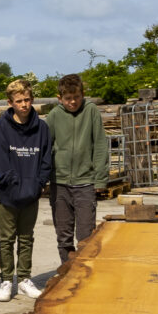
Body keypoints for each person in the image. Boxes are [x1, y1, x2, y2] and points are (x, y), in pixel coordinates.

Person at [0, 79, 54, 300]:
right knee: (7, 238)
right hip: (8, 195)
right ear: (10, 102)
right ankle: (7, 280)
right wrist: (14, 183)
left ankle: (24, 278)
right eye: (19, 101)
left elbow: (46, 160)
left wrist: (38, 184)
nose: (24, 104)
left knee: (27, 237)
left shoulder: (42, 128)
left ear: (32, 100)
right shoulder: (2, 127)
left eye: (27, 100)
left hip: (31, 193)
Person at [48, 74, 109, 264]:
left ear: (82, 94)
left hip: (85, 183)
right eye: (67, 99)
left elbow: (99, 145)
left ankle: (83, 273)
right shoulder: (54, 116)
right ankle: (67, 271)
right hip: (60, 184)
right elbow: (45, 147)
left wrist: (100, 178)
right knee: (63, 235)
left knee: (85, 235)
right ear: (60, 98)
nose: (72, 102)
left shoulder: (91, 112)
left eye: (76, 97)